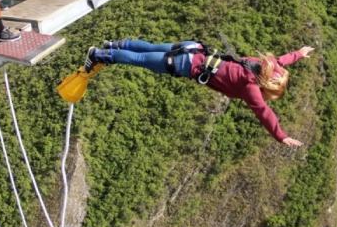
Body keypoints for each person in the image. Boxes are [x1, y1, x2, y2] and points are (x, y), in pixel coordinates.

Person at [85, 39, 315, 147]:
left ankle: (115, 44)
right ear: (265, 87)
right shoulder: (250, 87)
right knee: (142, 60)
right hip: (187, 63)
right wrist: (281, 136)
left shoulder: (260, 64)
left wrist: (299, 54)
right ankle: (99, 54)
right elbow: (264, 113)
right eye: (268, 95)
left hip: (194, 48)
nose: (265, 99)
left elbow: (280, 61)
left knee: (151, 47)